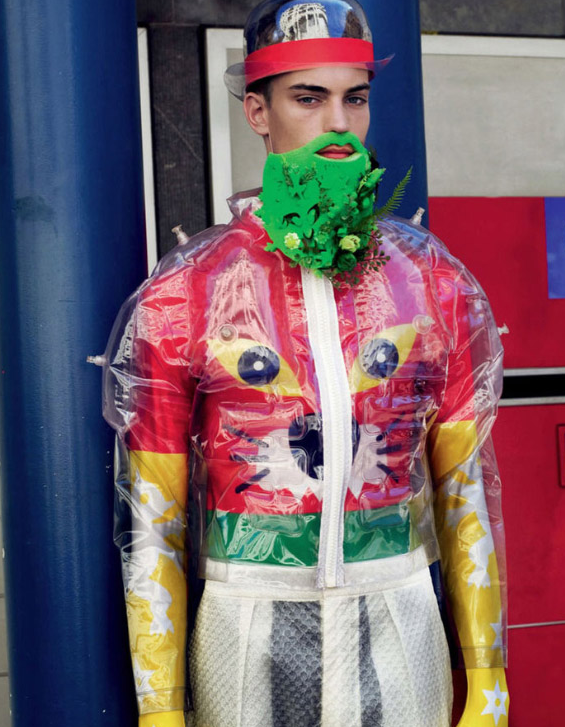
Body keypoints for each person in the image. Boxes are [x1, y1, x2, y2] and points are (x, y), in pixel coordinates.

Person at [103, 2, 509, 725]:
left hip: (398, 609)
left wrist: (487, 670)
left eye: (356, 98)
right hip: (247, 617)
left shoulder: (431, 281)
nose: (338, 124)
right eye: (308, 98)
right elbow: (153, 519)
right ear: (257, 111)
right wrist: (159, 704)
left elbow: (464, 491)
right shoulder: (186, 291)